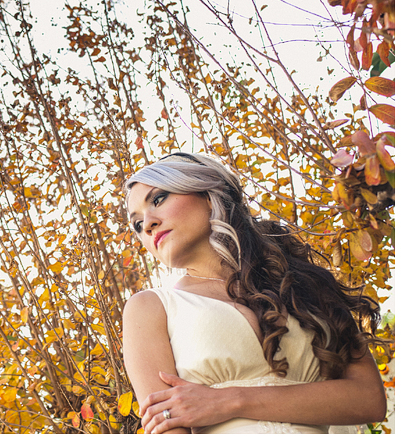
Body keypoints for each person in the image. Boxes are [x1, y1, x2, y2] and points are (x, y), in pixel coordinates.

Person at [121, 152, 387, 434]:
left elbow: (369, 400)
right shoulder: (150, 308)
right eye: (137, 224)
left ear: (208, 195)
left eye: (158, 199)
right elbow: (168, 429)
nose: (147, 224)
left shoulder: (303, 282)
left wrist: (229, 401)